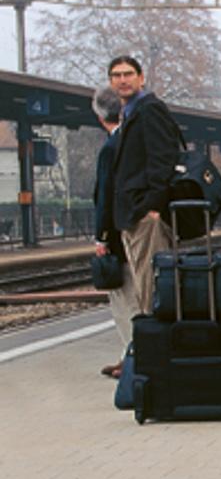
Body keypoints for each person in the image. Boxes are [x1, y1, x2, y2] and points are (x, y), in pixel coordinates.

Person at [107, 54, 185, 322]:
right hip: (133, 213)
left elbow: (162, 160)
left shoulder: (149, 109)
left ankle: (157, 351)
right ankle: (150, 348)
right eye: (116, 75)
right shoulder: (130, 114)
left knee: (152, 288)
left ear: (141, 78)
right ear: (110, 82)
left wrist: (152, 207)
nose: (122, 80)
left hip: (144, 215)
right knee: (144, 286)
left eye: (128, 74)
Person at [90, 85, 138, 375]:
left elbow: (105, 196)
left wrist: (101, 237)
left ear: (99, 117)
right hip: (137, 229)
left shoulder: (110, 148)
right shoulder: (131, 141)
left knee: (124, 299)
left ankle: (133, 357)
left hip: (119, 234)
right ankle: (133, 355)